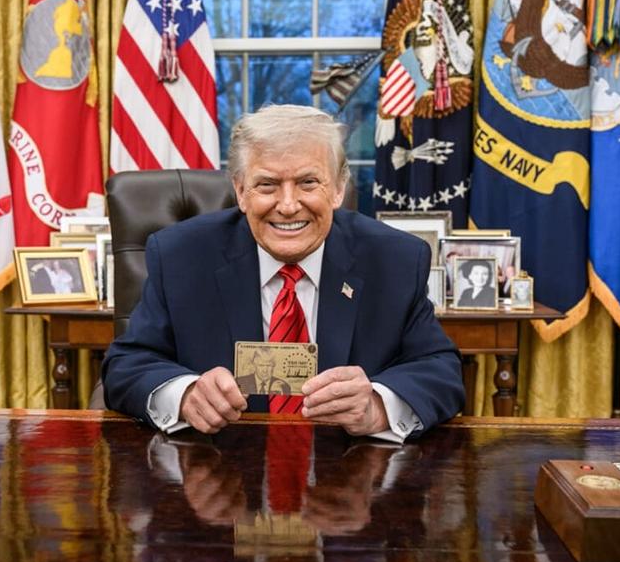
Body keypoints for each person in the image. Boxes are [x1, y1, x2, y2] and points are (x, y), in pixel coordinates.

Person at [102, 104, 464, 441]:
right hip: (220, 477)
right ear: (241, 192)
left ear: (338, 189)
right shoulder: (180, 256)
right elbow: (126, 366)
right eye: (267, 185)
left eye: (308, 182)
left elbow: (440, 370)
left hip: (348, 478)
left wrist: (377, 405)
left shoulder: (395, 260)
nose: (288, 206)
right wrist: (185, 394)